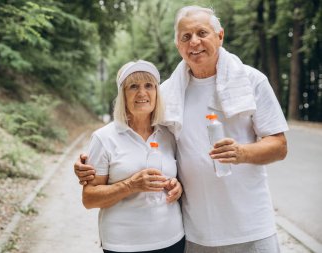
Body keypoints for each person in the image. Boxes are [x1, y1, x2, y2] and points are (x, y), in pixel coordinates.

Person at [75, 5, 288, 253]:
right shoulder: (167, 93)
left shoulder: (252, 81)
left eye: (202, 33)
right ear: (178, 45)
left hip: (250, 224)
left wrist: (242, 153)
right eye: (186, 37)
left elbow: (279, 146)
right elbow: (140, 141)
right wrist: (88, 166)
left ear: (220, 36)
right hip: (196, 231)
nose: (194, 42)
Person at [81, 60, 185, 253]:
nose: (142, 93)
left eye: (149, 86)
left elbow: (178, 178)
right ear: (123, 95)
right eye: (133, 86)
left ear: (156, 92)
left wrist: (177, 187)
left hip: (172, 239)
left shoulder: (170, 133)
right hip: (123, 244)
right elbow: (89, 198)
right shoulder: (104, 138)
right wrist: (131, 185)